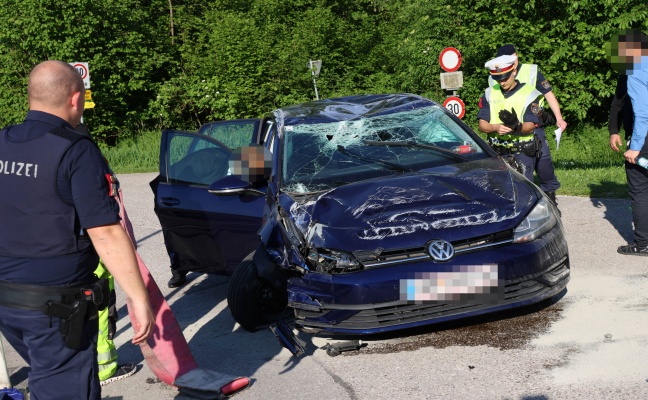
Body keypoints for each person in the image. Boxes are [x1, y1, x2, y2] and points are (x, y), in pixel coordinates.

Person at [0, 60, 154, 399]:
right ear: (75, 99)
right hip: (55, 308)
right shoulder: (75, 150)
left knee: (48, 380)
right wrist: (139, 298)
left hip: (7, 302)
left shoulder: (3, 141)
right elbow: (105, 232)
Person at [75, 123, 137, 384]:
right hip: (96, 257)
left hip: (70, 256)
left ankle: (85, 367)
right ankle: (105, 369)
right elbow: (107, 220)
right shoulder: (88, 162)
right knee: (101, 313)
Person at [478, 54, 561, 207]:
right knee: (498, 195)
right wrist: (494, 127)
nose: (501, 82)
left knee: (522, 196)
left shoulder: (530, 94)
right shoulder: (489, 93)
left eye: (504, 77)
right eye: (497, 79)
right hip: (497, 152)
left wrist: (516, 126)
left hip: (522, 153)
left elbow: (530, 126)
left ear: (513, 71)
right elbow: (482, 124)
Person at [608, 30, 648, 255]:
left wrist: (635, 147)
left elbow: (643, 113)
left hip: (644, 138)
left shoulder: (637, 70)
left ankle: (643, 244)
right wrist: (614, 130)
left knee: (640, 190)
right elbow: (618, 102)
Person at [489, 44, 568, 133]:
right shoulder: (494, 78)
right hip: (506, 127)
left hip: (532, 125)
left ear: (517, 55)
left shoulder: (531, 71)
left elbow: (548, 94)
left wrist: (559, 118)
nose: (512, 61)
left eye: (513, 57)